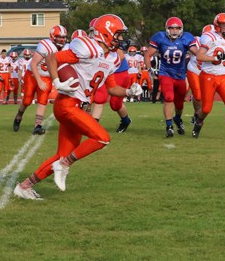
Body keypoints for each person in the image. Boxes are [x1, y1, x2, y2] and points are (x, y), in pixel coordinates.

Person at [14, 14, 142, 200]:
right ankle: (64, 165)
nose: (121, 39)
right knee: (102, 138)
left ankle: (25, 186)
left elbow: (112, 88)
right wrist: (57, 82)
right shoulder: (88, 48)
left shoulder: (113, 58)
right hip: (67, 104)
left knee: (62, 155)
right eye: (118, 34)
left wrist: (130, 92)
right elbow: (52, 58)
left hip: (78, 107)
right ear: (106, 34)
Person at [144, 17, 199, 138]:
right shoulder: (160, 37)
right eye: (171, 28)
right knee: (168, 97)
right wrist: (150, 70)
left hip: (180, 75)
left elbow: (198, 53)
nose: (174, 31)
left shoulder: (187, 38)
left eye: (177, 28)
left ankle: (177, 118)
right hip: (165, 73)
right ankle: (169, 126)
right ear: (167, 29)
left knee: (179, 104)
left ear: (181, 29)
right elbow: (148, 55)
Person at [12, 25, 68, 134]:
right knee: (27, 100)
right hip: (33, 75)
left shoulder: (66, 48)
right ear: (53, 37)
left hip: (46, 76)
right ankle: (19, 116)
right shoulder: (46, 46)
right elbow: (33, 64)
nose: (62, 39)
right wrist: (39, 81)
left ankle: (37, 125)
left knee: (43, 100)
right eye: (59, 37)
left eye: (64, 37)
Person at [91, 43, 133, 133]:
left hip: (118, 73)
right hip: (103, 73)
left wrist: (107, 65)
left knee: (115, 105)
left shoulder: (107, 41)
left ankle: (126, 121)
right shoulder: (93, 43)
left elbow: (120, 55)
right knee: (97, 97)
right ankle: (91, 124)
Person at [186, 24, 214, 115]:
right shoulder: (195, 40)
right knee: (197, 96)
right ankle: (196, 114)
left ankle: (198, 114)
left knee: (204, 97)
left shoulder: (217, 44)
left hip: (207, 72)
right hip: (194, 70)